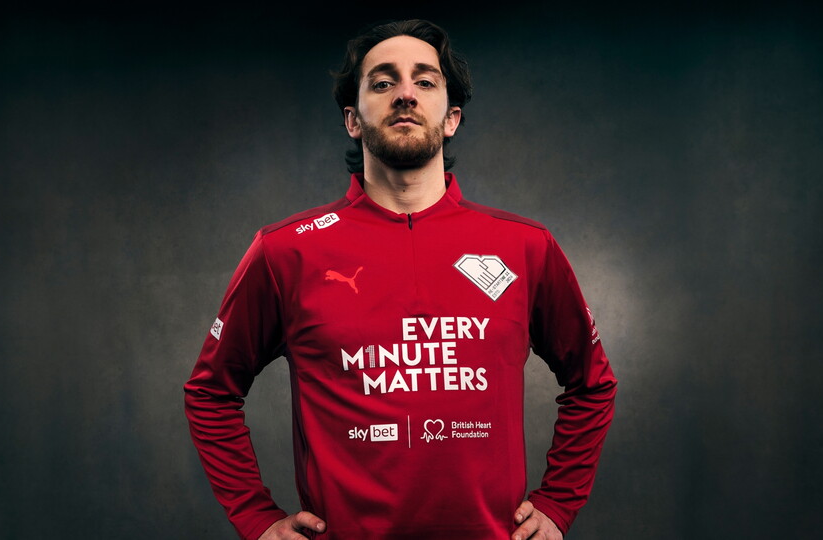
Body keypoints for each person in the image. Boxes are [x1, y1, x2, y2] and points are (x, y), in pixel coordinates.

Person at [184, 19, 617, 540]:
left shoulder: (525, 246)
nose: (405, 94)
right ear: (353, 119)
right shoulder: (286, 251)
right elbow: (210, 393)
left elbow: (592, 384)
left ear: (451, 118)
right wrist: (256, 518)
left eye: (425, 81)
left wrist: (559, 501)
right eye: (383, 82)